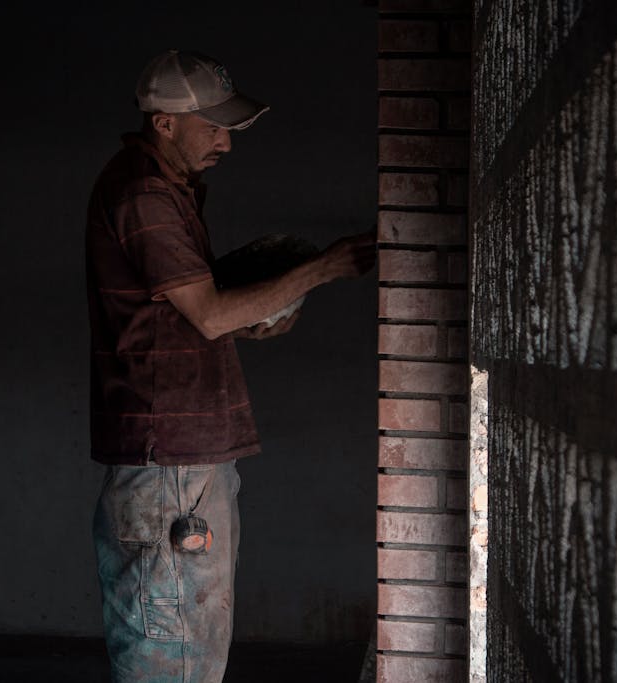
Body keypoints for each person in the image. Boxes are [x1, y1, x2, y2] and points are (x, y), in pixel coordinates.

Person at [85, 49, 376, 683]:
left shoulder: (169, 190)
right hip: (172, 469)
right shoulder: (144, 195)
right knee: (172, 657)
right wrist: (322, 268)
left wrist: (260, 310)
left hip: (186, 462)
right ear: (164, 123)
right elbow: (209, 315)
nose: (226, 141)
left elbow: (192, 320)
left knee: (190, 653)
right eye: (213, 126)